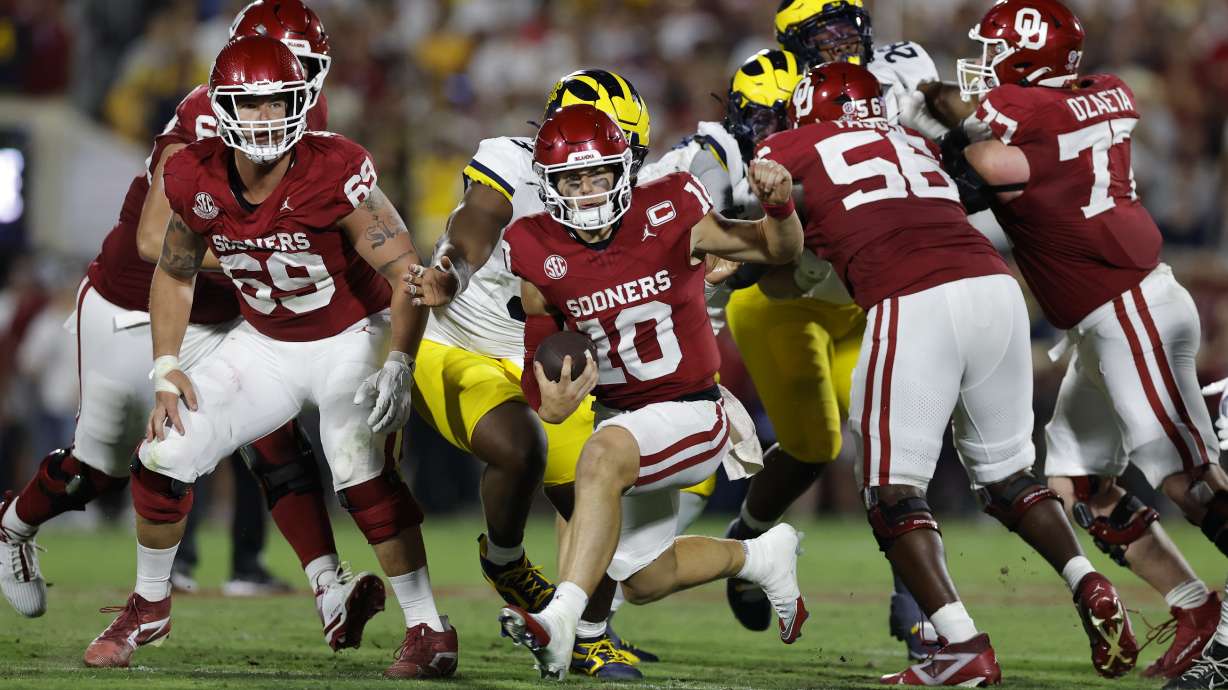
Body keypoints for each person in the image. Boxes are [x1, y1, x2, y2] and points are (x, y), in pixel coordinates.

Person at [0, 0, 384, 653]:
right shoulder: (204, 111)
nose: (276, 86)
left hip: (231, 310)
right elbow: (156, 240)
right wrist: (266, 256)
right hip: (135, 305)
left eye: (302, 67)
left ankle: (329, 588)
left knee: (278, 442)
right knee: (99, 470)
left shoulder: (306, 123)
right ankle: (13, 526)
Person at [81, 36, 455, 680]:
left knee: (357, 464)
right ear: (220, 107)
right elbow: (173, 271)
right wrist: (166, 366)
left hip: (350, 335)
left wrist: (398, 358)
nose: (262, 120)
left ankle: (428, 627)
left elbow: (403, 271)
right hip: (268, 341)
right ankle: (149, 604)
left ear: (301, 99)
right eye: (246, 107)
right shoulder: (192, 172)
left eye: (275, 102)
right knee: (167, 449)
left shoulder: (336, 166)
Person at [761, 61, 1137, 685]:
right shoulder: (917, 141)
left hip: (914, 299)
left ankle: (961, 646)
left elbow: (777, 217)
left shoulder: (793, 142)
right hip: (995, 287)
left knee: (890, 491)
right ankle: (1087, 580)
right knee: (1009, 479)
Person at [925, 0, 1224, 681]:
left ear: (1030, 56)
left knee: (1189, 479)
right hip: (1110, 316)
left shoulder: (1025, 116)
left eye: (996, 49)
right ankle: (1193, 607)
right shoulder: (1098, 93)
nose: (987, 64)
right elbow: (1011, 158)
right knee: (1078, 481)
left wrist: (935, 138)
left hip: (1131, 310)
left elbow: (989, 171)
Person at [488, 103, 806, 680]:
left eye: (599, 175)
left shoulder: (670, 208)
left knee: (600, 457)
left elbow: (778, 249)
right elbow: (541, 349)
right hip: (623, 415)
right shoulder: (531, 246)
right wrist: (549, 402)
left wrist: (780, 206)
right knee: (643, 578)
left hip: (693, 411)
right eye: (572, 179)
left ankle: (567, 625)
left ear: (622, 172)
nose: (587, 190)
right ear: (549, 185)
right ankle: (761, 555)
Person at [715, 1, 961, 655]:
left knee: (894, 445)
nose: (838, 43)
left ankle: (918, 606)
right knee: (813, 447)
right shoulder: (767, 83)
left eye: (846, 27)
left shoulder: (904, 71)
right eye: (820, 34)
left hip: (863, 292)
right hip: (786, 298)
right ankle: (747, 539)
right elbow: (763, 210)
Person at [404, 69, 667, 679]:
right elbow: (478, 221)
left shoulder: (634, 201)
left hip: (542, 357)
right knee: (522, 444)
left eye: (620, 153)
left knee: (598, 487)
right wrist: (450, 273)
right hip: (457, 343)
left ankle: (588, 635)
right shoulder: (509, 161)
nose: (609, 168)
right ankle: (504, 559)